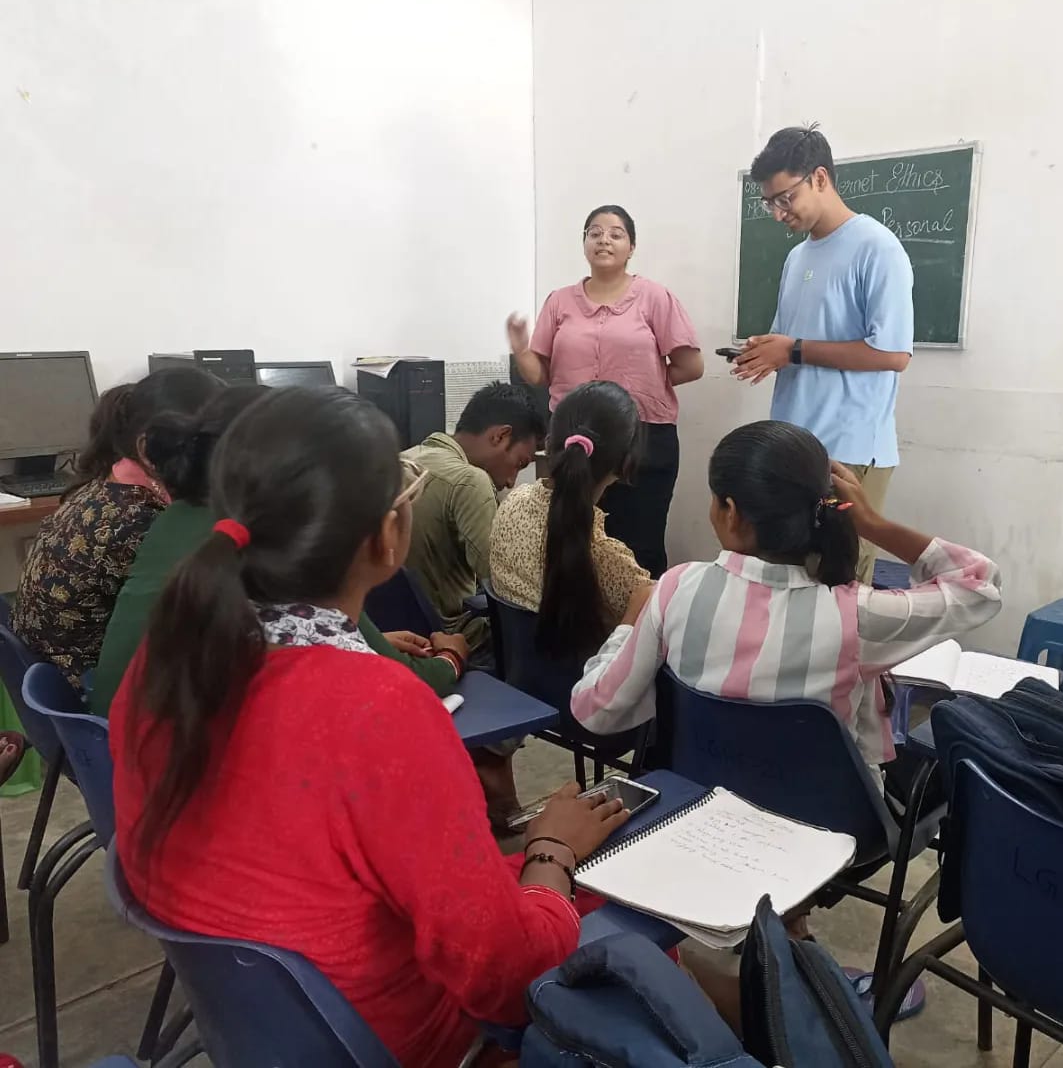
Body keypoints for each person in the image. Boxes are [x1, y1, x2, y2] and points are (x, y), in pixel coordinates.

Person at [110, 387, 629, 1068]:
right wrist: (551, 850)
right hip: (394, 1041)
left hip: (258, 1029)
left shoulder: (167, 656)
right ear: (388, 536)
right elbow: (505, 982)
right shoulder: (378, 708)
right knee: (634, 930)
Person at [570, 420, 1002, 770]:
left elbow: (595, 710)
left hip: (704, 804)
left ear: (731, 513)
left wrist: (627, 627)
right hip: (830, 824)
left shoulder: (676, 589)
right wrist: (871, 523)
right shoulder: (857, 614)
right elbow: (979, 586)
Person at [91, 386, 468, 715]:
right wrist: (451, 655)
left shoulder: (186, 528)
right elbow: (400, 680)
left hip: (119, 744)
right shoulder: (296, 556)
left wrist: (365, 643)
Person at [734, 125, 915, 584]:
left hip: (847, 451)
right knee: (790, 578)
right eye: (770, 203)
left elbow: (893, 353)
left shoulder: (877, 247)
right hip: (793, 446)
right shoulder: (797, 257)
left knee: (839, 581)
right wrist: (765, 350)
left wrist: (793, 351)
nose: (779, 213)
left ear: (819, 178)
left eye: (785, 198)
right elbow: (790, 339)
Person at [507, 204, 703, 577]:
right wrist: (519, 347)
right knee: (575, 538)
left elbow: (691, 365)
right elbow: (539, 375)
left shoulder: (655, 297)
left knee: (639, 545)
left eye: (616, 234)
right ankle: (579, 610)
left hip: (643, 436)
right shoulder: (559, 301)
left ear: (632, 247)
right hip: (574, 436)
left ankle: (642, 611)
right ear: (584, 243)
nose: (604, 240)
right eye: (594, 233)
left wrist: (644, 382)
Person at [12, 369, 223, 687]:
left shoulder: (105, 483)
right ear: (148, 447)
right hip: (85, 687)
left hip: (48, 672)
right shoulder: (141, 519)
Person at [490, 381, 651, 662]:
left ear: (550, 445)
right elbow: (660, 621)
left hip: (520, 678)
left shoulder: (512, 504)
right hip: (586, 684)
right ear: (626, 463)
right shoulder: (606, 557)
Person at [404, 381, 546, 655]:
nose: (511, 482)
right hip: (450, 640)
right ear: (500, 436)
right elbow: (506, 586)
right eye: (519, 464)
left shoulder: (407, 457)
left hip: (401, 635)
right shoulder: (471, 481)